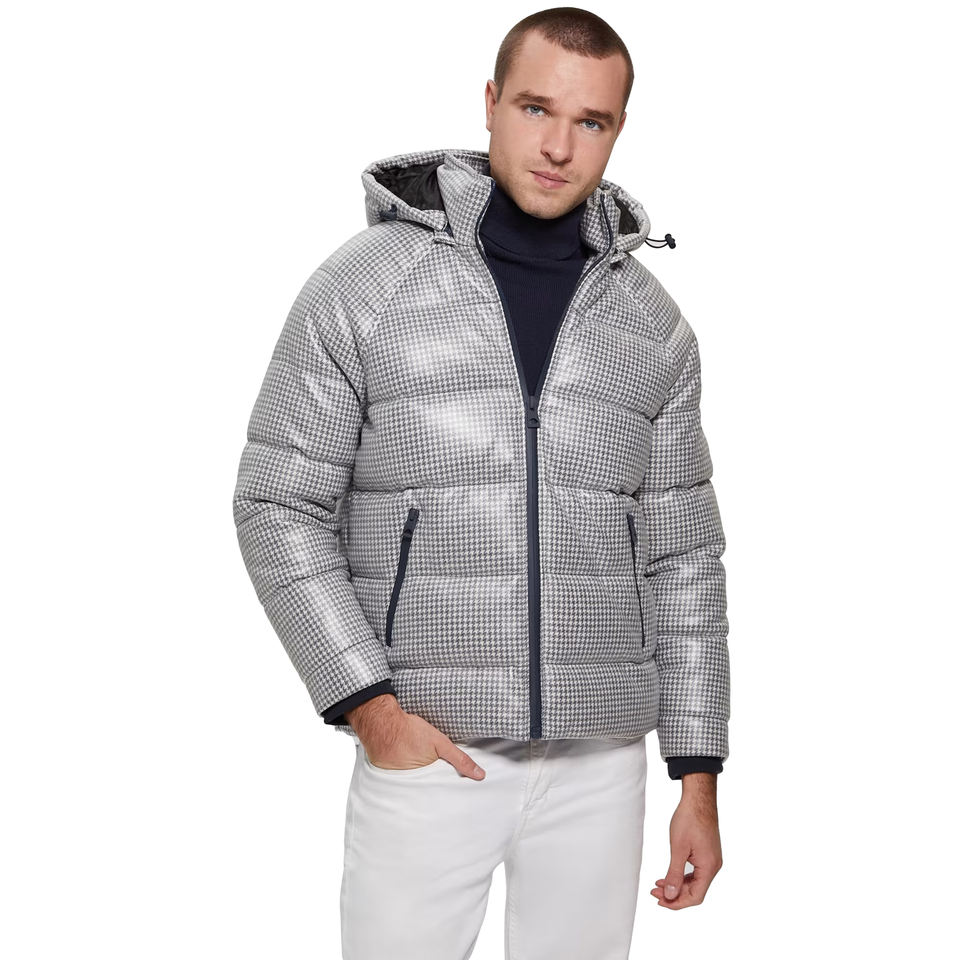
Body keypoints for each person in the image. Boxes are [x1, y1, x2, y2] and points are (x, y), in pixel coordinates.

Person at [232, 7, 730, 958]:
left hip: (602, 765)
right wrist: (370, 706)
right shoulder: (365, 286)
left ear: (618, 130)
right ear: (491, 103)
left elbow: (684, 558)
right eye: (537, 108)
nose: (558, 146)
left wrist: (697, 777)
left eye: (591, 121)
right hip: (430, 750)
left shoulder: (653, 326)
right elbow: (277, 504)